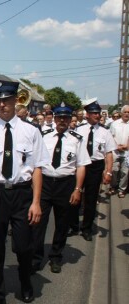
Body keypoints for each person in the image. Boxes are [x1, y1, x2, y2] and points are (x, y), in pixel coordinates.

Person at [0, 80, 49, 304]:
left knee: (24, 245)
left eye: (6, 100)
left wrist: (36, 202)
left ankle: (25, 283)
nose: (2, 104)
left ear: (16, 100)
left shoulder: (30, 131)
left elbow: (37, 169)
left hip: (22, 194)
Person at [32, 104, 90, 274]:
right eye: (59, 117)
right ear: (55, 119)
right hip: (45, 183)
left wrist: (78, 189)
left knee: (62, 222)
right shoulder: (44, 137)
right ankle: (36, 257)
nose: (62, 121)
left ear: (70, 119)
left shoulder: (77, 139)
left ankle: (56, 256)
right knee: (38, 222)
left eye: (65, 118)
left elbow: (81, 166)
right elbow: (35, 162)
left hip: (66, 184)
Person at [71, 99, 116, 241]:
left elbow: (109, 153)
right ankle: (73, 225)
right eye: (94, 113)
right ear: (87, 115)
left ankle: (87, 228)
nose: (97, 115)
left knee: (91, 198)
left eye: (98, 113)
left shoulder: (105, 132)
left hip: (95, 166)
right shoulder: (78, 130)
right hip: (80, 166)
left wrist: (108, 171)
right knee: (75, 195)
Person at [109, 105, 129, 198]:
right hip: (115, 151)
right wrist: (116, 146)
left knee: (125, 171)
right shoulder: (115, 124)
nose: (127, 114)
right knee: (114, 170)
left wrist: (126, 146)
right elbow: (110, 137)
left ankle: (122, 189)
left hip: (127, 152)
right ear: (121, 113)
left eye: (128, 112)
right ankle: (113, 186)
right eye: (125, 112)